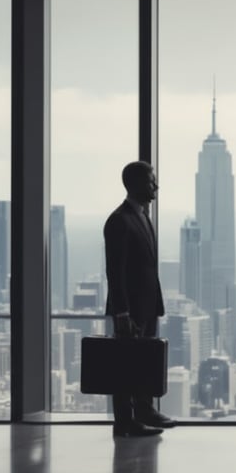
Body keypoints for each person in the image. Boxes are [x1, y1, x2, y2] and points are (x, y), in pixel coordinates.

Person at [104, 161, 176, 438]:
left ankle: (144, 410)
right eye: (150, 181)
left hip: (146, 306)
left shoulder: (142, 217)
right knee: (124, 367)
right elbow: (116, 271)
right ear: (133, 185)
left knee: (143, 362)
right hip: (130, 309)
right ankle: (124, 421)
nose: (155, 186)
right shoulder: (119, 221)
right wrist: (122, 313)